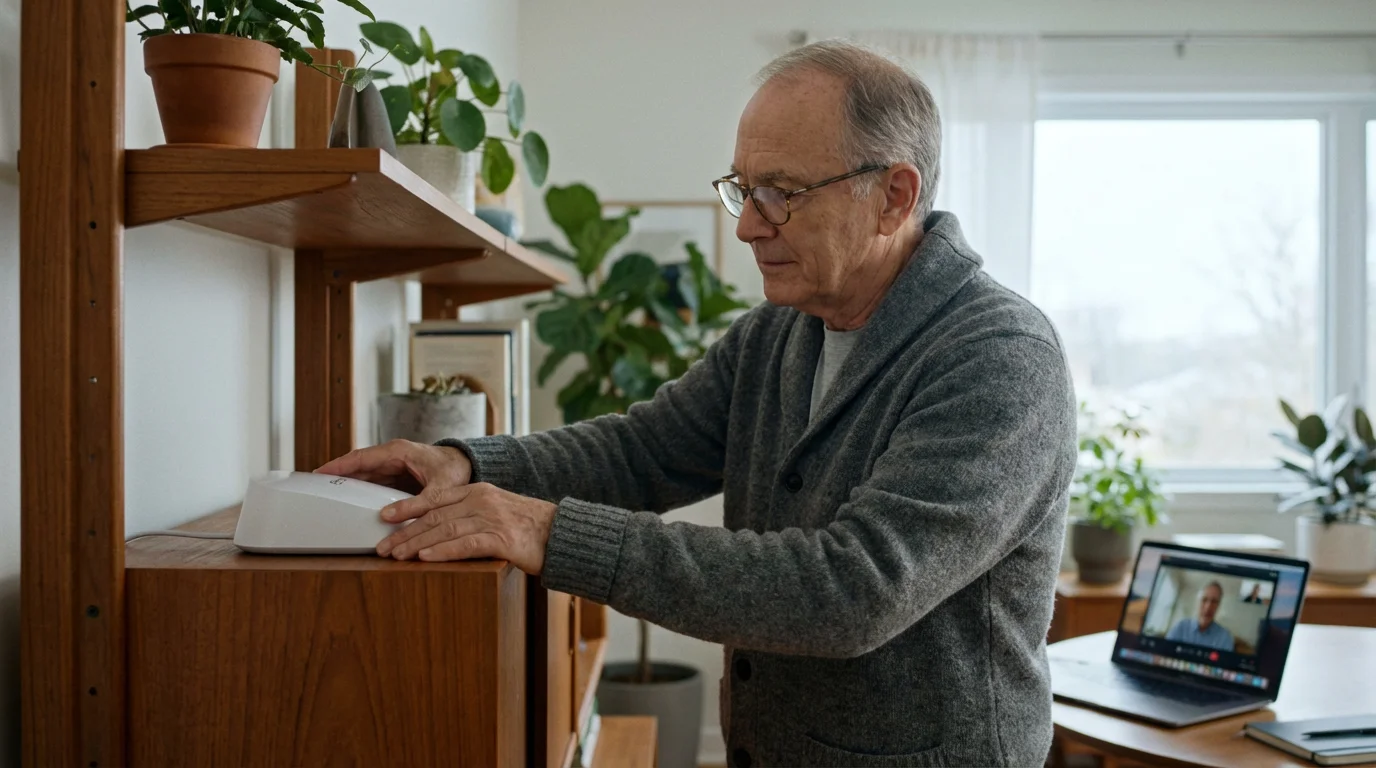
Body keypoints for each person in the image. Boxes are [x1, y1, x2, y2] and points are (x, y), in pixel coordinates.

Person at [317, 40, 1077, 767]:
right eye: (745, 190)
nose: (748, 224)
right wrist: (464, 461)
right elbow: (643, 451)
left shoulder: (999, 359)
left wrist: (549, 531)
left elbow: (853, 590)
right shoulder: (779, 334)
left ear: (894, 196)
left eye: (783, 193)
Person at [1166, 581, 1236, 651]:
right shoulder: (1181, 627)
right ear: (1198, 602)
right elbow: (1163, 652)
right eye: (1204, 600)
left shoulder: (1225, 638)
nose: (1208, 607)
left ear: (1218, 606)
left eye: (1214, 602)